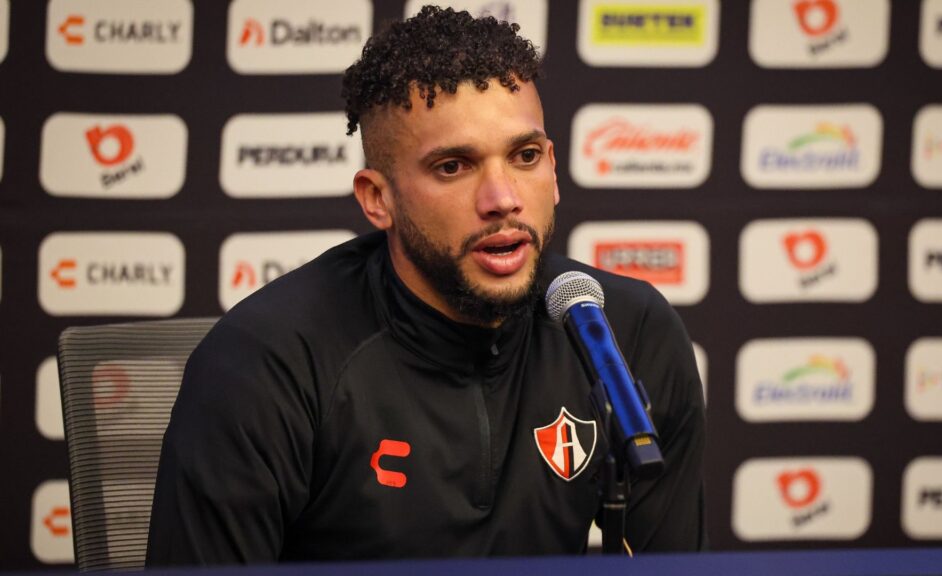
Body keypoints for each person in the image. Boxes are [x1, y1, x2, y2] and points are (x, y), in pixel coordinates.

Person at [146, 6, 706, 564]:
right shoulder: (266, 363)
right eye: (453, 167)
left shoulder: (622, 333)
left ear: (553, 170)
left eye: (525, 156)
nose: (503, 199)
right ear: (378, 199)